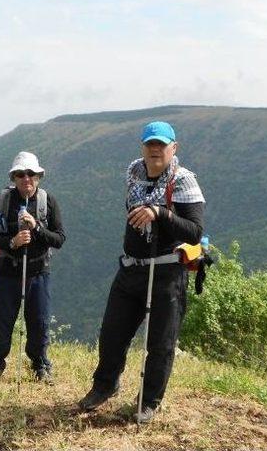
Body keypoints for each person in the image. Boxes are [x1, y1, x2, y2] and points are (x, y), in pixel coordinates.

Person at [78, 121, 205, 423]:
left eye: (161, 144)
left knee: (160, 343)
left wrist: (159, 213)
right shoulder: (134, 173)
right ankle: (105, 385)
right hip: (131, 269)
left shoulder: (184, 181)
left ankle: (149, 401)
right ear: (143, 147)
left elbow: (195, 232)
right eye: (150, 144)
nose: (155, 149)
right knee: (111, 334)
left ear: (174, 148)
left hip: (166, 272)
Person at [0, 151, 65, 383]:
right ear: (14, 178)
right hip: (8, 271)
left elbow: (59, 239)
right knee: (1, 321)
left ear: (38, 176)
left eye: (31, 174)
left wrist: (37, 228)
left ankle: (40, 364)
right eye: (20, 174)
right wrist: (12, 242)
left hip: (38, 271)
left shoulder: (47, 201)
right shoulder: (2, 201)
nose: (26, 178)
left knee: (39, 322)